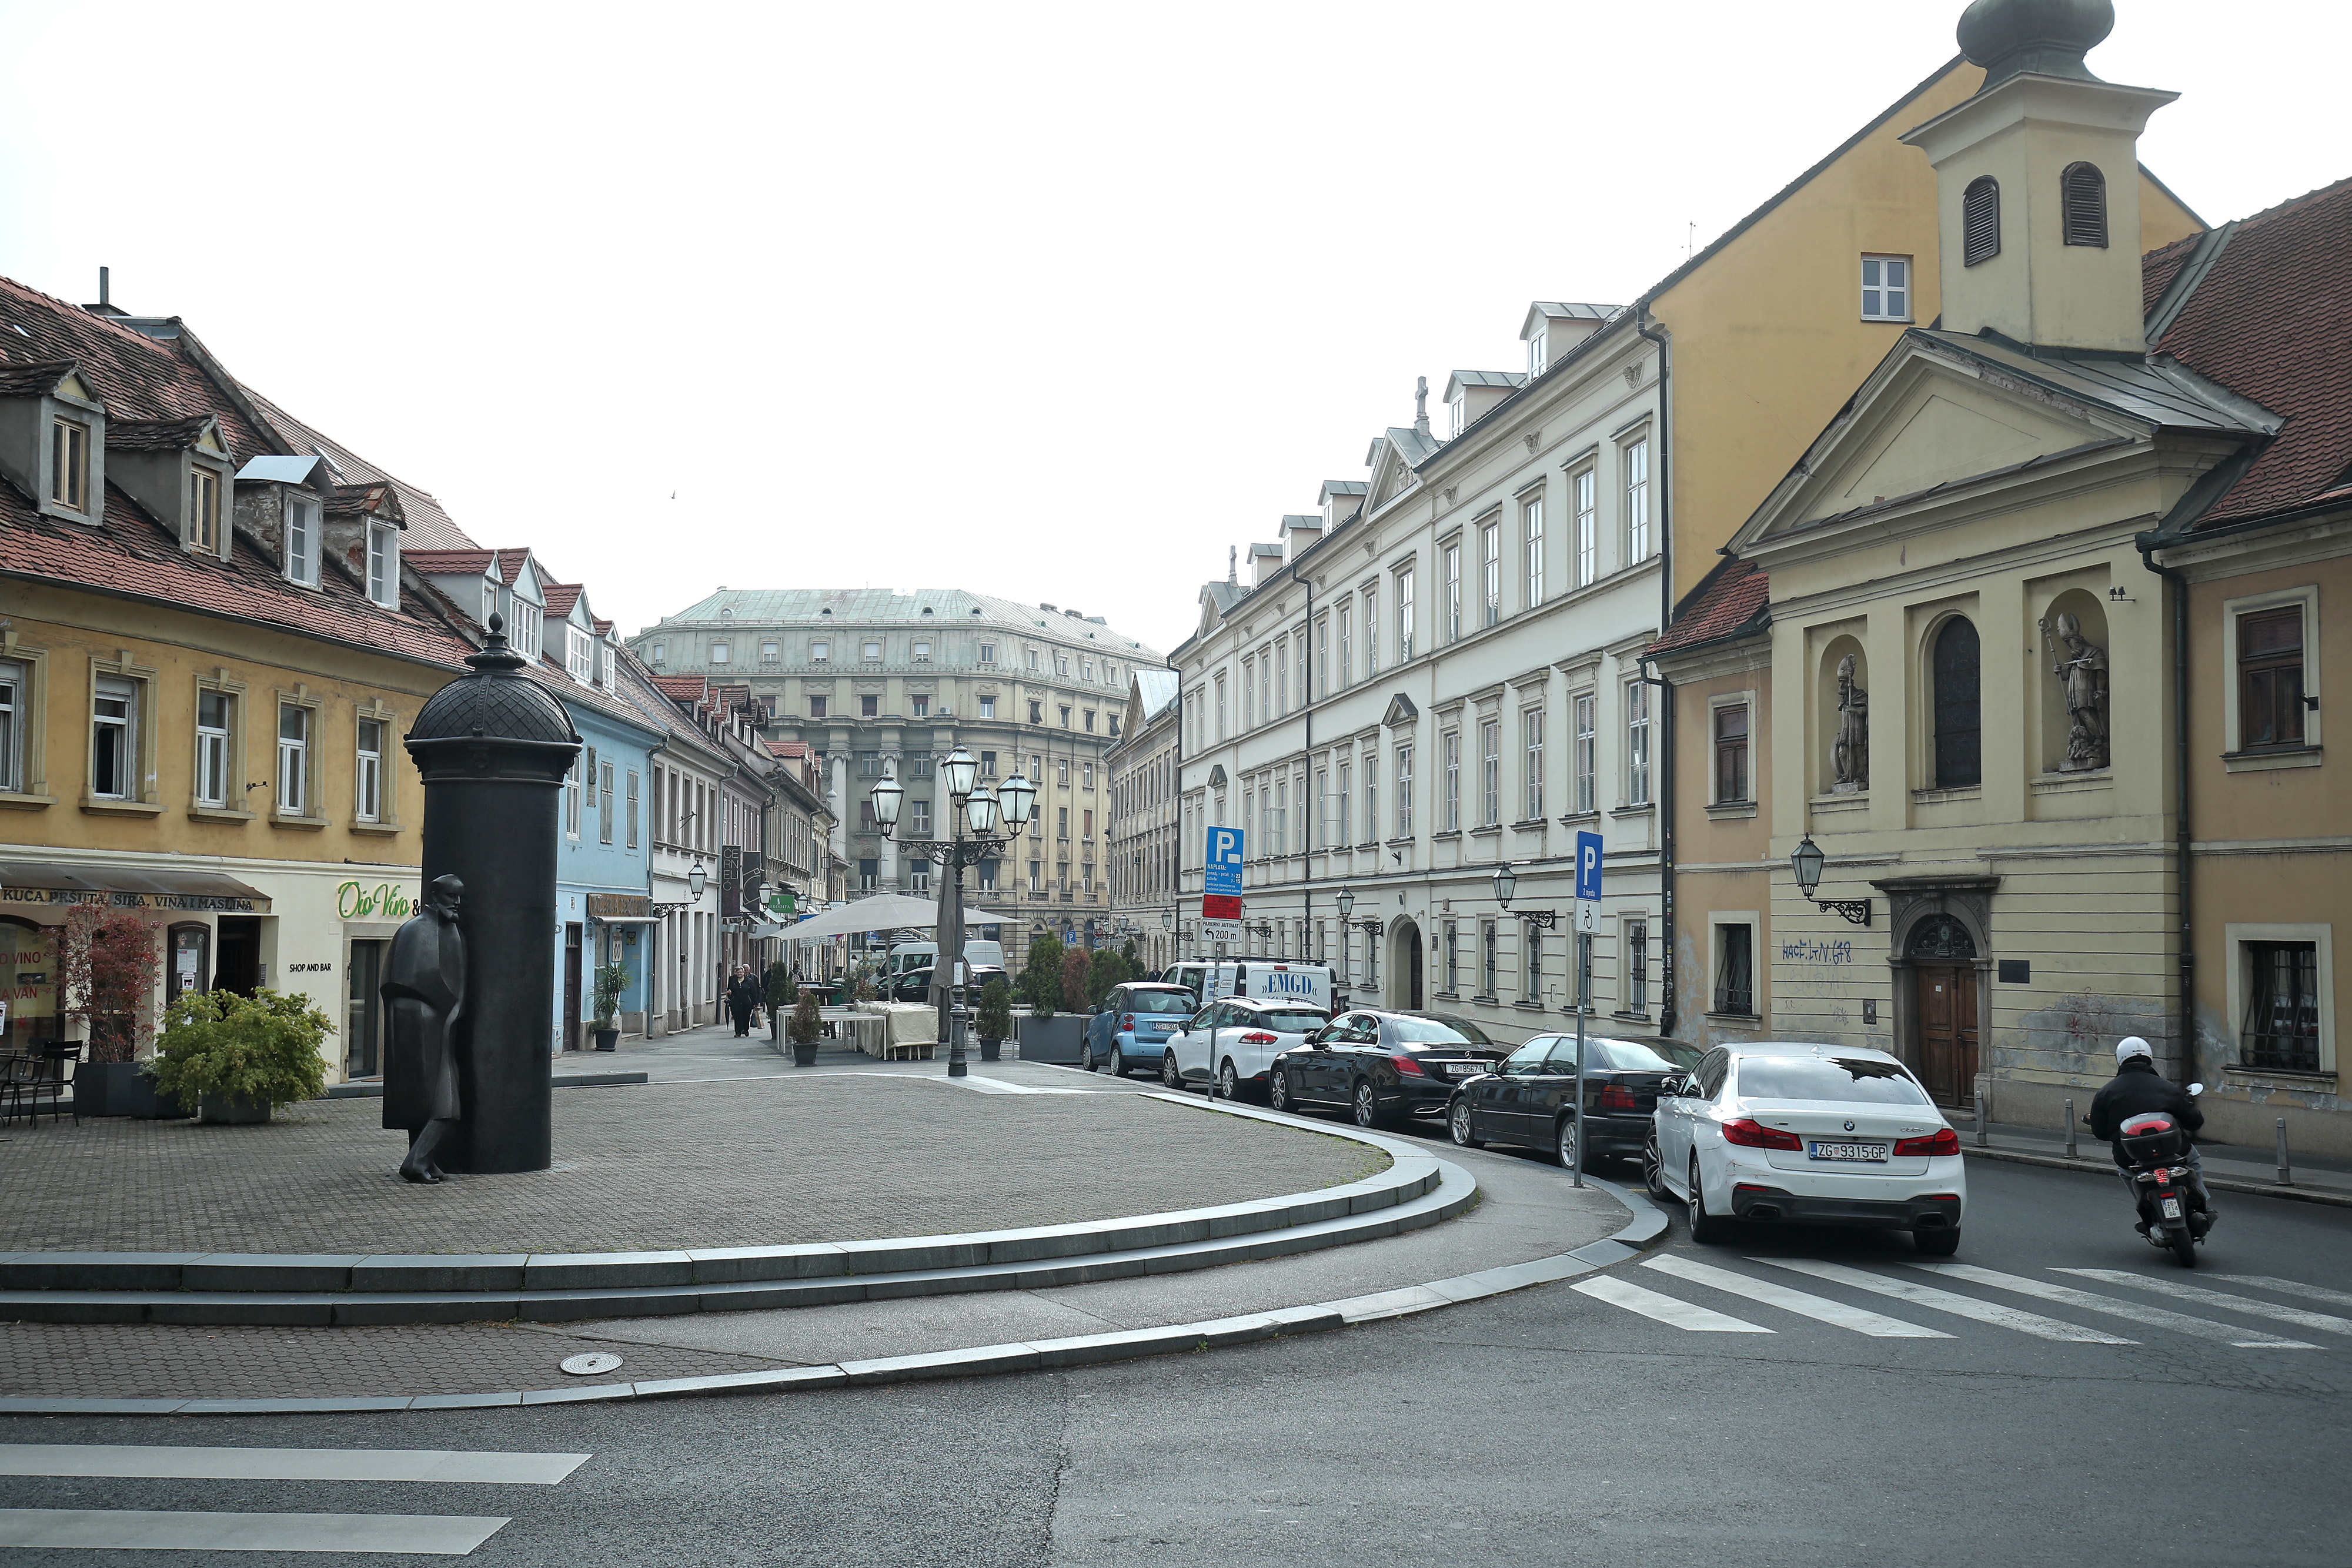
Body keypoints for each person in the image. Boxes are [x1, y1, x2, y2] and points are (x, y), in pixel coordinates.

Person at [2087, 1036, 2214, 1231]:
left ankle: (2144, 1204)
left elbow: (2100, 1133)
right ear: (2149, 1057)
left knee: (2125, 1172)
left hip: (2131, 1158)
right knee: (2193, 1161)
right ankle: (2203, 1202)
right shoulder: (2167, 1087)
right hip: (2175, 1152)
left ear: (2120, 1059)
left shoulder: (2106, 1093)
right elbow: (2195, 1122)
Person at [726, 965, 760, 1037]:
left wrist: (756, 1003)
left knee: (746, 1017)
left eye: (741, 972)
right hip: (736, 1002)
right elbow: (729, 989)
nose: (739, 974)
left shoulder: (749, 981)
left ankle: (745, 1029)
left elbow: (753, 992)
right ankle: (738, 1032)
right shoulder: (733, 981)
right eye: (738, 972)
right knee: (737, 1017)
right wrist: (730, 994)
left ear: (744, 973)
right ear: (735, 973)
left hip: (747, 1002)